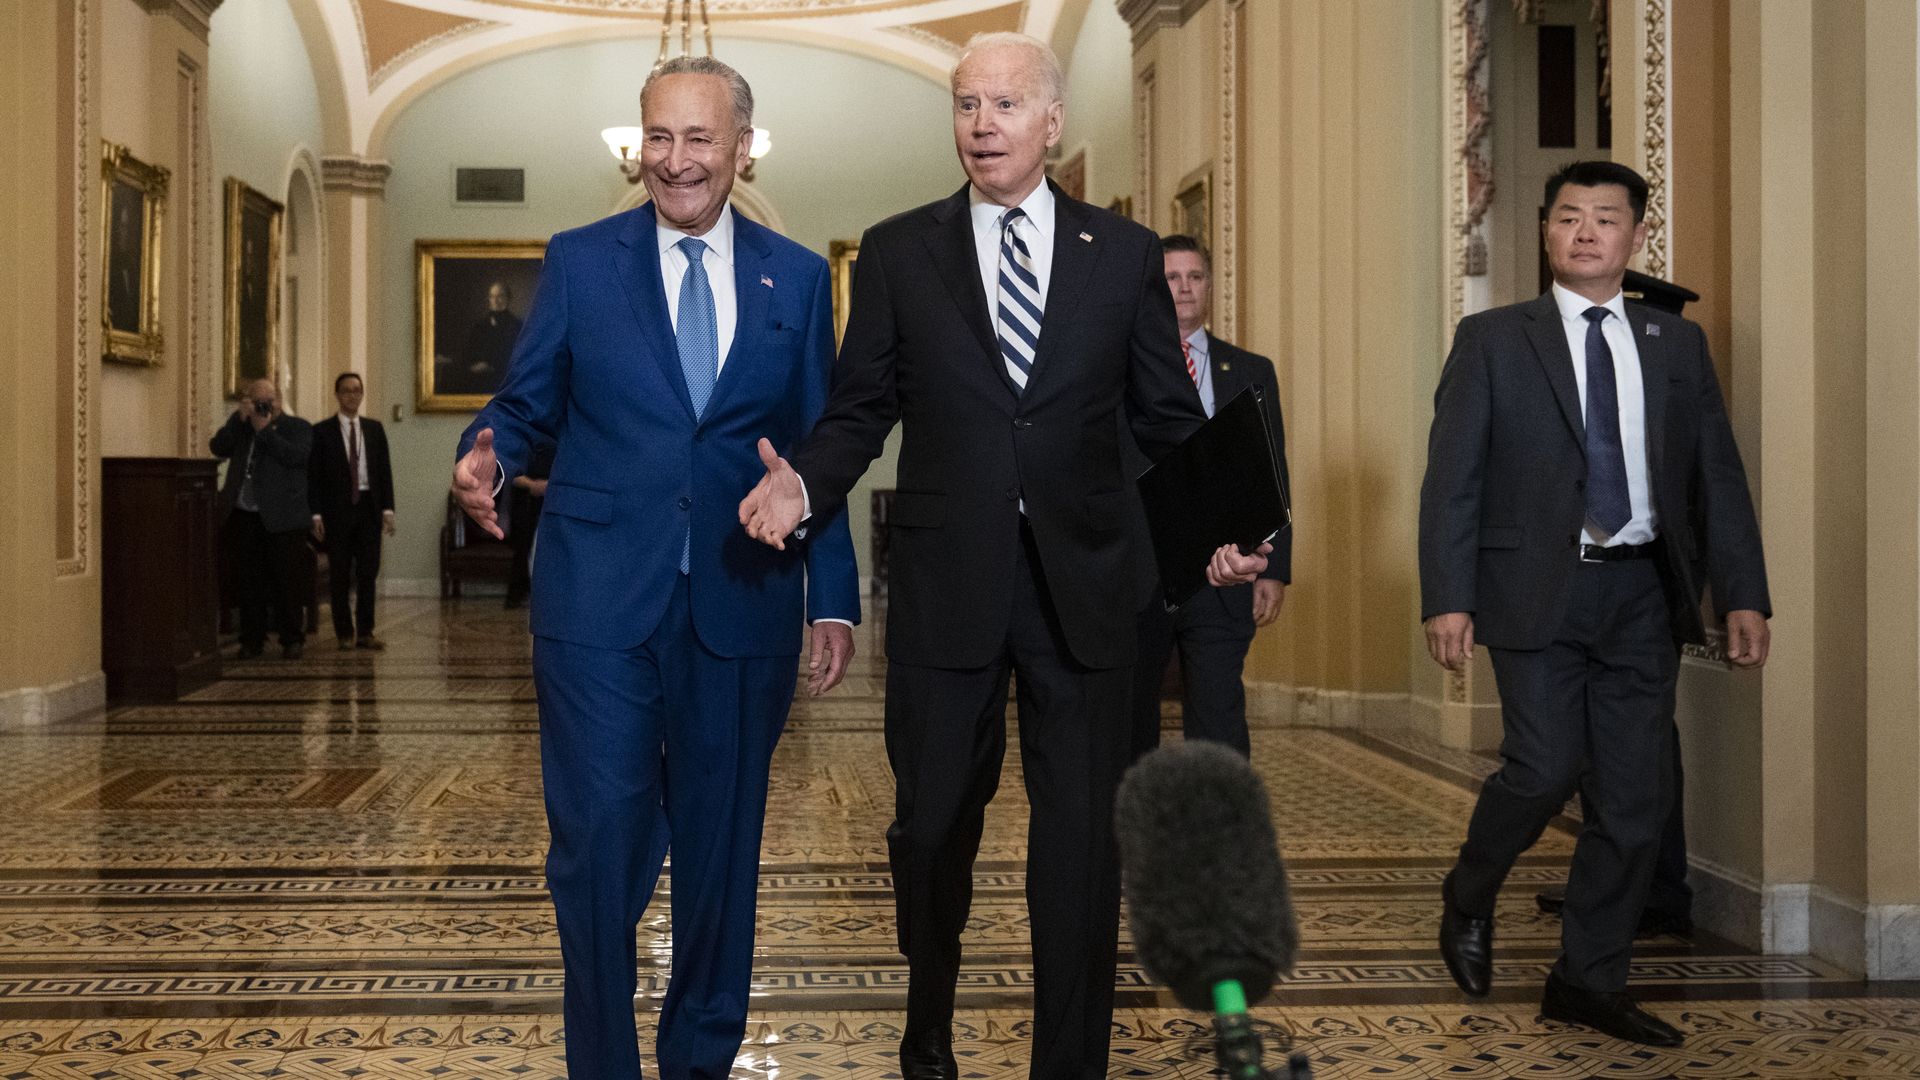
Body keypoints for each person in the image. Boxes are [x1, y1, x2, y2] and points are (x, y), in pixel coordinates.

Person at [736, 33, 1268, 1080]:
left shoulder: (1123, 256)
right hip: (948, 586)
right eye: (966, 105)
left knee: (1080, 851)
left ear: (1052, 122)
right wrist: (802, 484)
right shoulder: (898, 252)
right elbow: (860, 408)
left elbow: (1168, 417)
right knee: (930, 828)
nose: (982, 124)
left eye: (1005, 106)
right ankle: (927, 1015)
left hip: (1095, 591)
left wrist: (1235, 529)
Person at [448, 55, 860, 1080]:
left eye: (699, 139)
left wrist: (835, 598)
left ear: (741, 147)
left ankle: (698, 1062)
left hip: (743, 598)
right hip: (596, 600)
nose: (675, 163)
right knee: (596, 845)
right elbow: (525, 401)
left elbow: (823, 450)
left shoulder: (798, 279)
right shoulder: (582, 262)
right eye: (658, 139)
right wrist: (488, 448)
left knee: (721, 857)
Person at [1419, 161, 1771, 1047]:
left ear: (1635, 237)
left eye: (1605, 219)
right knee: (1541, 768)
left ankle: (1587, 978)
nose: (1586, 232)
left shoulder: (1674, 345)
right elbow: (1452, 482)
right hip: (1537, 587)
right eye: (1569, 217)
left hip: (1642, 594)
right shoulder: (1495, 338)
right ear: (1546, 233)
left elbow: (1715, 480)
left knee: (1633, 797)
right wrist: (1448, 598)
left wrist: (1744, 595)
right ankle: (1471, 884)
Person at [1126, 234, 1290, 760]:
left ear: (1210, 284)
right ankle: (1131, 832)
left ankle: (1217, 834)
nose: (1184, 288)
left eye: (1195, 276)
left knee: (1219, 713)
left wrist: (1274, 567)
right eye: (1172, 278)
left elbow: (1271, 468)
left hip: (1225, 571)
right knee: (1130, 714)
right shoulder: (1120, 370)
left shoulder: (1249, 370)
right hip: (1142, 569)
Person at [211, 378, 314, 659]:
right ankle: (251, 640)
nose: (263, 406)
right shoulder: (241, 426)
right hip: (244, 514)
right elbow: (217, 447)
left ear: (279, 400)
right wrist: (237, 419)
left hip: (283, 518)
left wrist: (265, 431)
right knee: (248, 582)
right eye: (257, 400)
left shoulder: (298, 428)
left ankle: (291, 638)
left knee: (286, 582)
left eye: (268, 400)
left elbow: (296, 457)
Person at [308, 372, 396, 650]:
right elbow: (314, 476)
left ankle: (365, 632)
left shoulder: (374, 428)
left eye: (357, 390)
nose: (352, 395)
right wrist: (316, 515)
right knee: (340, 574)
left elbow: (384, 471)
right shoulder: (321, 431)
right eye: (346, 391)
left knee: (368, 572)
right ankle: (344, 633)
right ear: (337, 395)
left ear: (362, 394)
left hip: (369, 508)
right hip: (338, 511)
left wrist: (388, 509)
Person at [445, 281, 522, 396]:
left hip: (501, 375)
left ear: (508, 298)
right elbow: (468, 350)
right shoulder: (480, 325)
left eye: (500, 296)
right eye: (492, 296)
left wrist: (491, 366)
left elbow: (515, 356)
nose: (495, 300)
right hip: (475, 371)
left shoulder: (516, 325)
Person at [504, 441, 554, 610]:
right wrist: (533, 485)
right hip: (525, 502)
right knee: (523, 550)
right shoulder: (523, 439)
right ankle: (518, 594)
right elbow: (510, 471)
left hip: (552, 501)